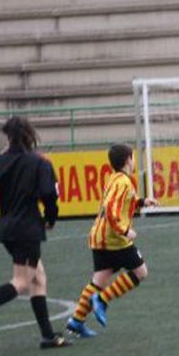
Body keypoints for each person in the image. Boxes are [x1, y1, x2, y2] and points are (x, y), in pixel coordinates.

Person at [0, 116, 69, 349]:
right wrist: (50, 219)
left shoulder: (0, 161)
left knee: (38, 277)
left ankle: (48, 336)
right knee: (22, 281)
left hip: (8, 229)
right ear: (30, 135)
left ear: (8, 137)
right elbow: (49, 195)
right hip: (28, 228)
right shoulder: (39, 163)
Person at [65, 143, 157, 337]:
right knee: (140, 272)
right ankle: (102, 300)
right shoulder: (124, 182)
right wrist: (125, 231)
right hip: (114, 239)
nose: (133, 162)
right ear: (127, 160)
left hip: (99, 237)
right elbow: (111, 209)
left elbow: (122, 202)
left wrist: (142, 202)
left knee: (99, 279)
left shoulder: (115, 179)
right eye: (132, 158)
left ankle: (76, 321)